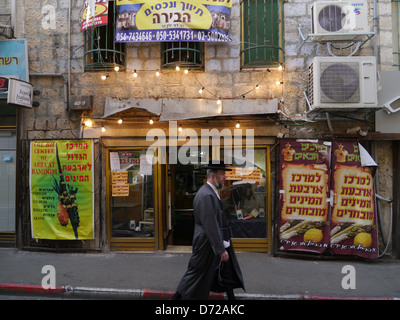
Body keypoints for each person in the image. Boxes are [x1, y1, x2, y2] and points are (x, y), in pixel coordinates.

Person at [171, 161, 245, 300]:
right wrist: (220, 249)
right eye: (222, 174)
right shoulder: (206, 195)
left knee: (226, 272)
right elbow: (210, 225)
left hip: (216, 241)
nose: (224, 177)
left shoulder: (211, 192)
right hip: (207, 244)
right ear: (213, 176)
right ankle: (174, 299)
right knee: (194, 273)